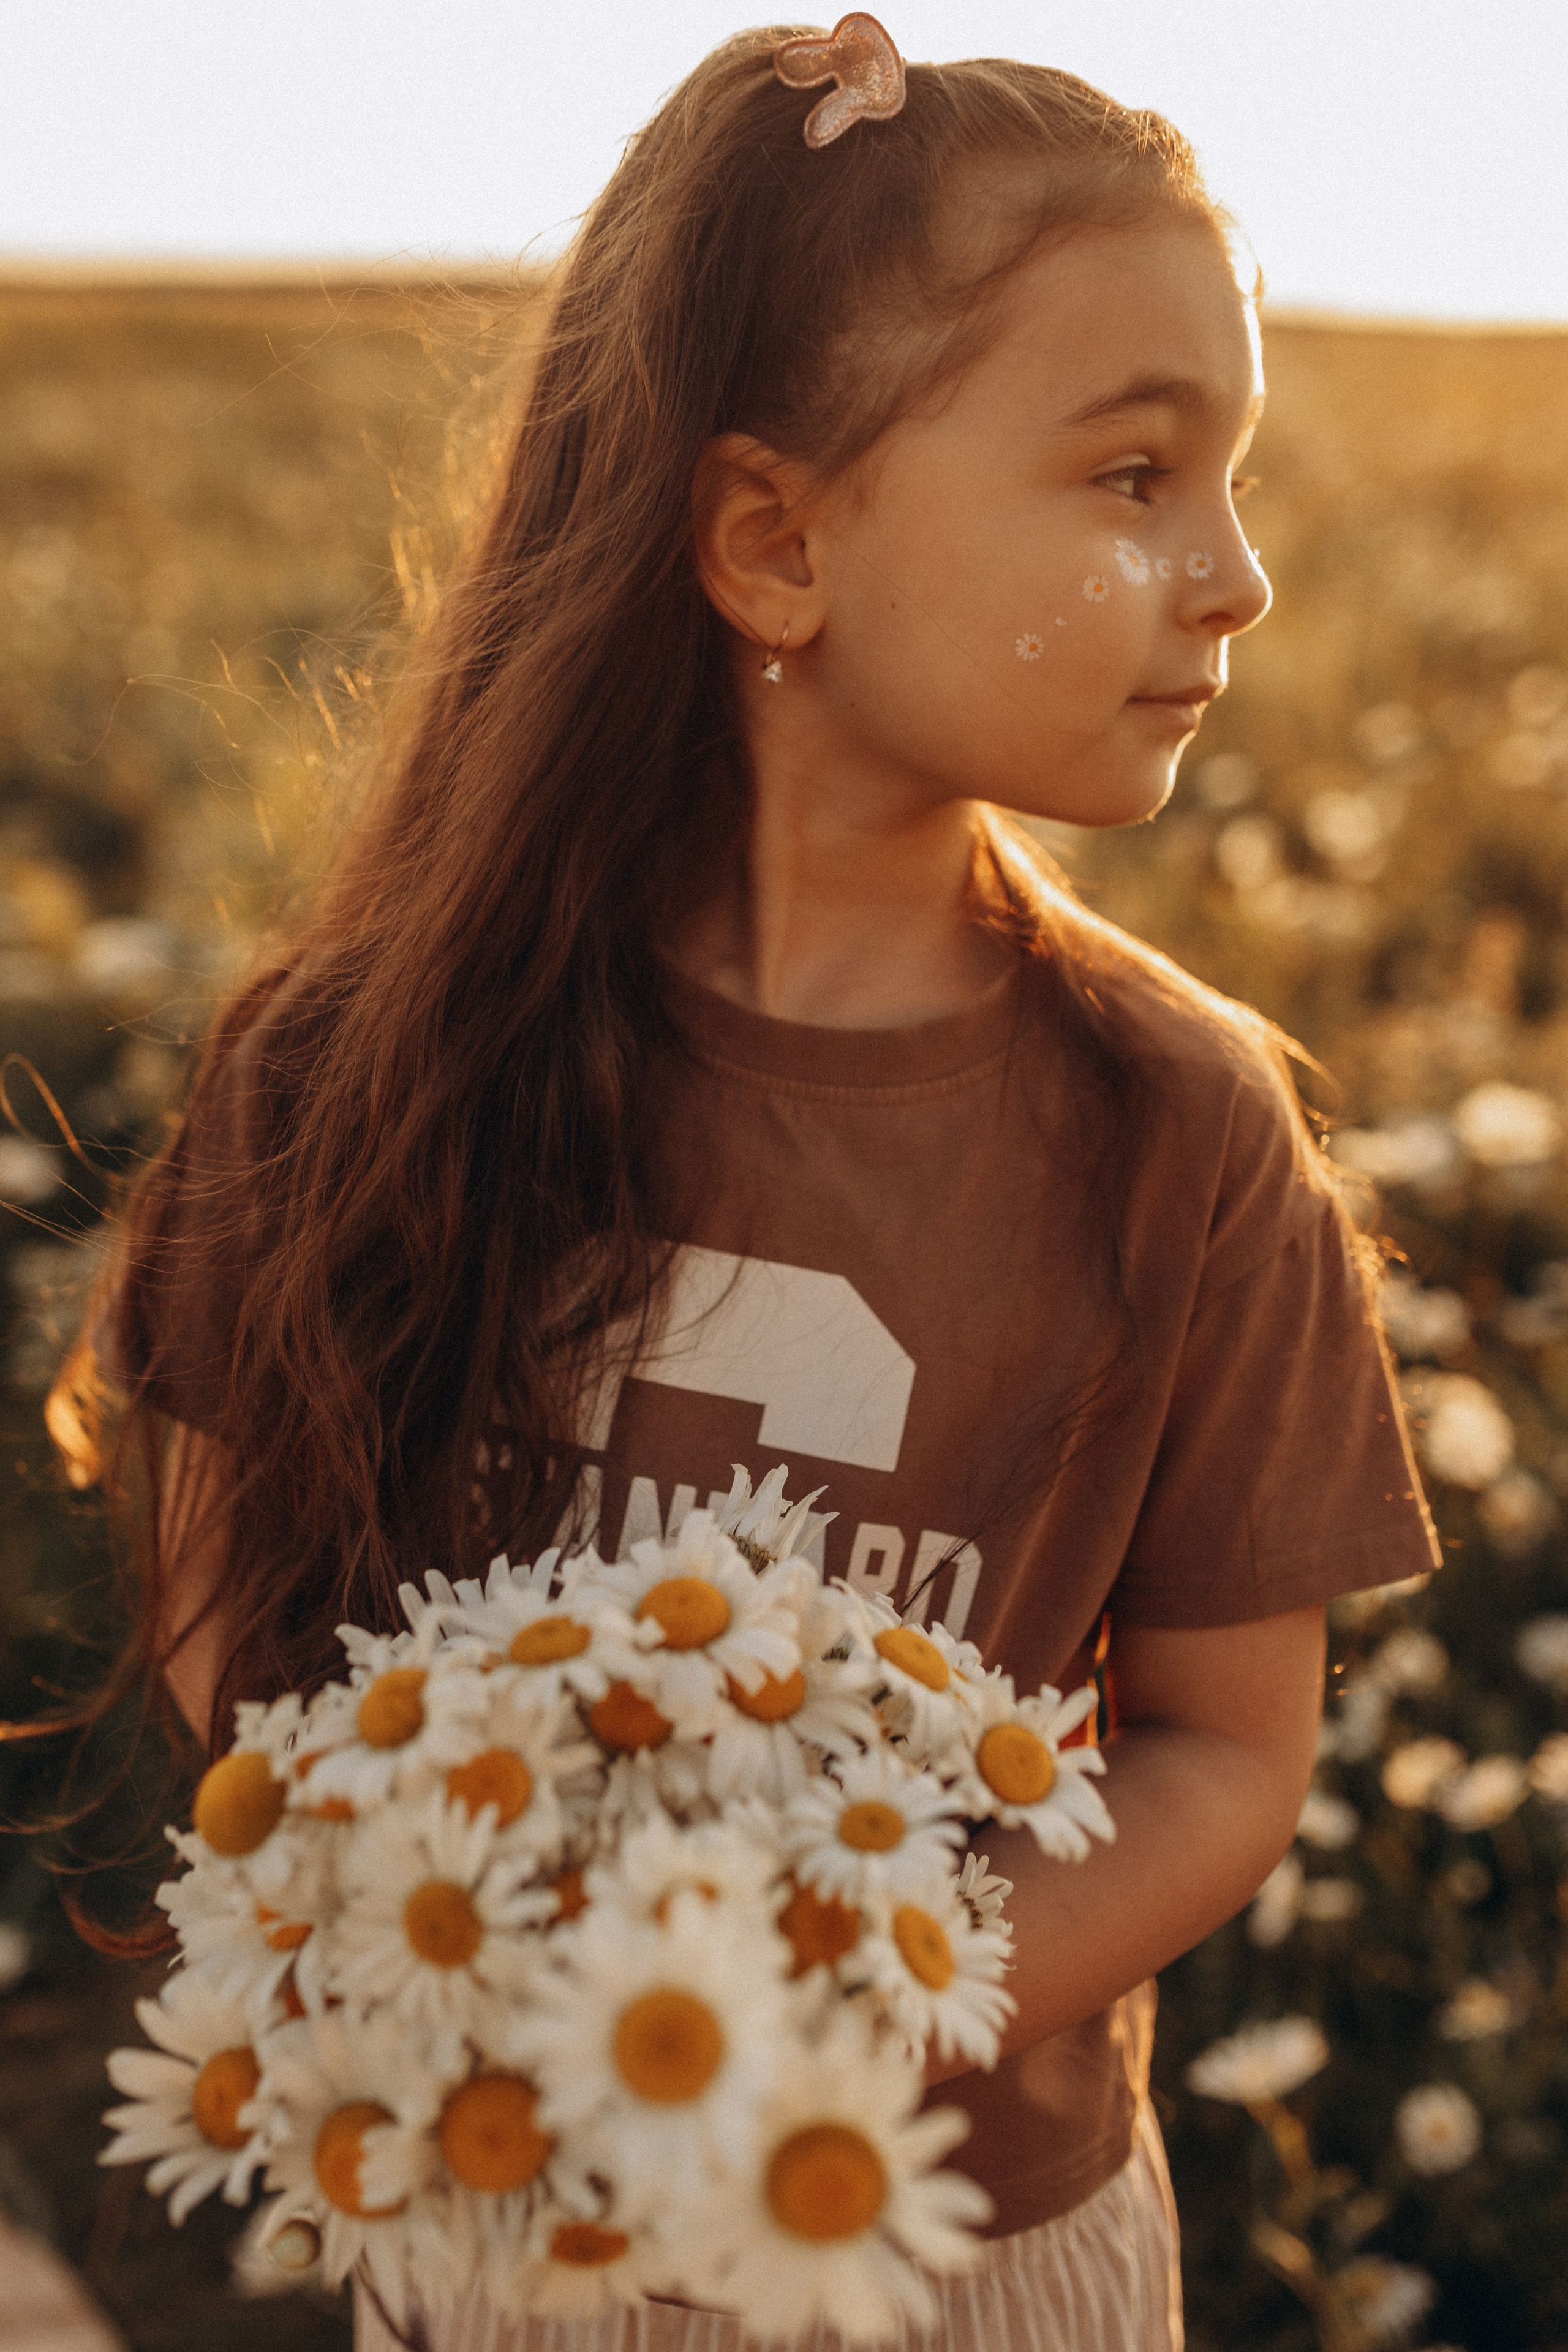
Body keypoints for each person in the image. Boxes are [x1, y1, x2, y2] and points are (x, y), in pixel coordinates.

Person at [65, 20, 1439, 2351]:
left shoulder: (1182, 1131)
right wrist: (410, 1914)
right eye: (1133, 476)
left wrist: (861, 2019)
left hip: (966, 2242)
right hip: (503, 2226)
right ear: (774, 541)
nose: (1236, 582)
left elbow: (1230, 1746)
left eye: (1233, 481)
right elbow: (217, 1531)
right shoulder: (366, 1057)